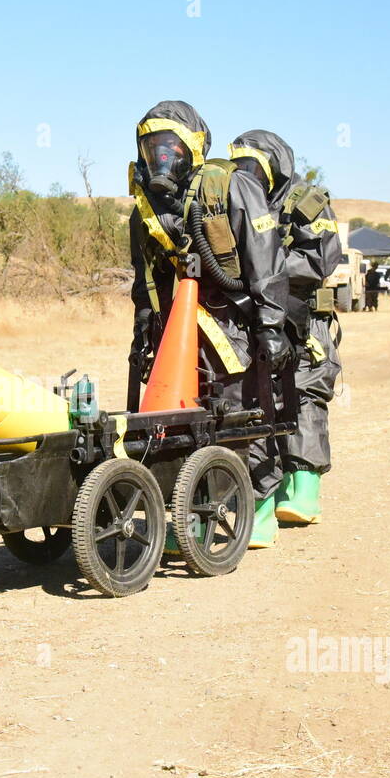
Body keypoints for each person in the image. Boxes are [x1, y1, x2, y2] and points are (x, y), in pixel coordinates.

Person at [127, 101, 291, 549]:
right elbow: (146, 281)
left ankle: (257, 508)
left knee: (241, 416)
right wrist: (144, 335)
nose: (162, 157)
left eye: (172, 146)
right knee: (173, 425)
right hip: (175, 335)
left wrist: (271, 327)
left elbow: (265, 260)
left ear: (194, 149)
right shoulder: (144, 208)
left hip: (233, 326)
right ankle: (185, 518)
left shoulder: (231, 189)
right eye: (152, 146)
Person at [229, 131, 343, 526]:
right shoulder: (238, 202)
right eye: (239, 168)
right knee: (261, 400)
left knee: (306, 393)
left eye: (255, 168)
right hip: (262, 320)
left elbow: (320, 261)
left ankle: (305, 485)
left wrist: (265, 260)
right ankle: (264, 490)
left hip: (306, 320)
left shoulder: (306, 202)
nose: (247, 176)